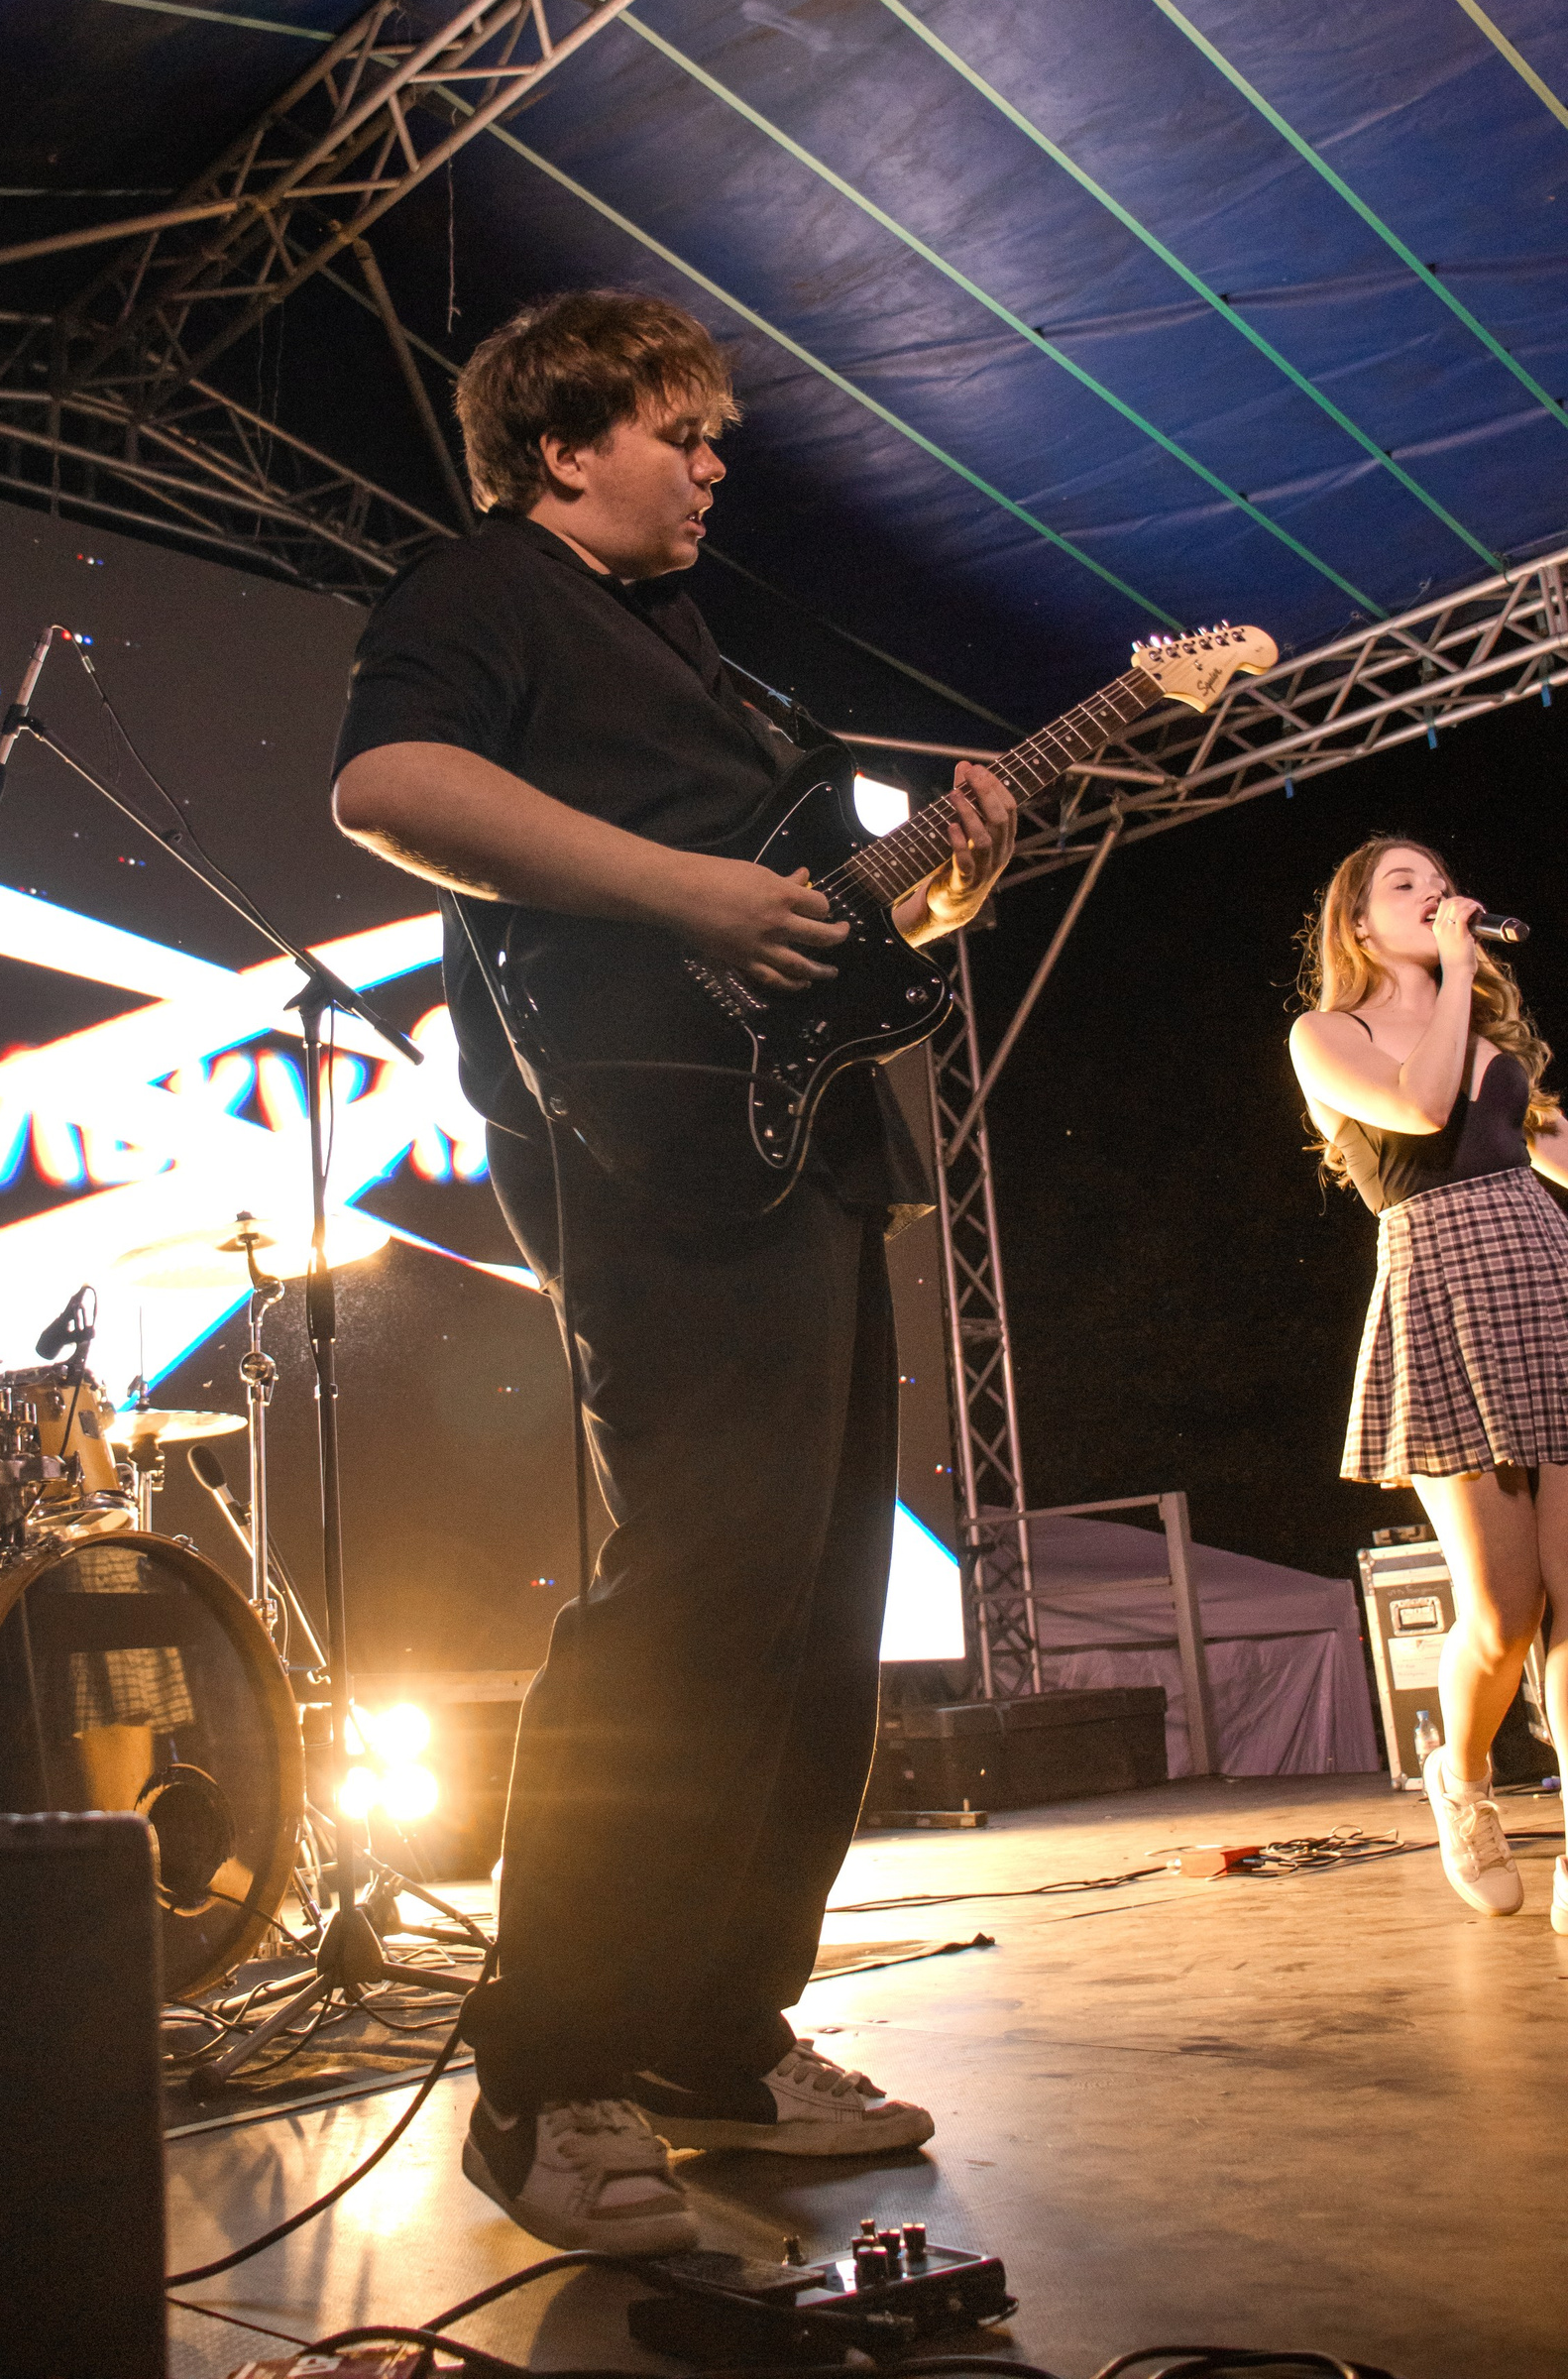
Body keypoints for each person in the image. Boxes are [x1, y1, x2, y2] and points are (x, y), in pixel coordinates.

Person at [331, 290, 1015, 2257]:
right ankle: (549, 2069)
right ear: (562, 447)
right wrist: (689, 888)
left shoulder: (704, 657)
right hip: (646, 1154)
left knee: (816, 1614)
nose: (717, 465)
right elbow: (390, 789)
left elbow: (810, 934)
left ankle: (718, 2036)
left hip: (801, 1154)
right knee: (700, 1593)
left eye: (719, 438)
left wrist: (946, 881)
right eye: (681, 432)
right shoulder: (483, 586)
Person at [1289, 839, 1568, 1935]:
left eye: (1439, 880)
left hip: (1542, 1270)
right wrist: (1455, 973)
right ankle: (1463, 1776)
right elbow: (1421, 1106)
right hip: (1443, 1288)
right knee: (1504, 1610)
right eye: (1403, 886)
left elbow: (1545, 1147)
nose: (1435, 893)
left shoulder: (1493, 1040)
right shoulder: (1327, 1036)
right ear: (1357, 925)